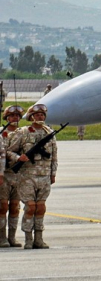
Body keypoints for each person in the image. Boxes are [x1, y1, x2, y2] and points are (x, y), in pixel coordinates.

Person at [7, 104, 57, 249]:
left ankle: (39, 238)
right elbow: (9, 152)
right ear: (31, 117)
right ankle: (28, 238)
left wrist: (53, 173)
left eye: (42, 115)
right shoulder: (22, 132)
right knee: (30, 207)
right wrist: (18, 158)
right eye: (37, 115)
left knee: (41, 207)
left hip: (44, 176)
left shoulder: (50, 133)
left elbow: (54, 156)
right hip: (27, 176)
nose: (40, 117)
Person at [1, 105, 24, 247]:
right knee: (2, 207)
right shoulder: (1, 133)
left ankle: (12, 237)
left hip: (19, 175)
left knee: (15, 207)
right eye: (12, 116)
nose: (15, 118)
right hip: (5, 173)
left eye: (17, 116)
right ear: (6, 118)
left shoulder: (24, 133)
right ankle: (1, 237)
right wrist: (16, 157)